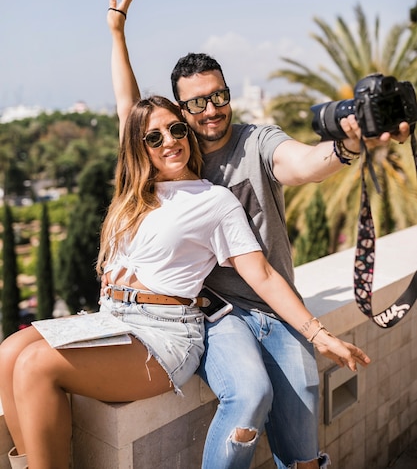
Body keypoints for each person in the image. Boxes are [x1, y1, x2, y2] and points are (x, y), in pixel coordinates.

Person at [105, 0, 410, 469]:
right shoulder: (174, 154)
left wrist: (349, 145)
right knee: (248, 396)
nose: (212, 109)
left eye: (219, 96)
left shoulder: (257, 141)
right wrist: (117, 34)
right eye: (198, 103)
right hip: (215, 316)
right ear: (182, 113)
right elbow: (131, 111)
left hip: (275, 306)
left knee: (303, 443)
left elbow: (304, 164)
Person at [0, 97, 371, 469]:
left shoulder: (214, 200)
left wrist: (318, 335)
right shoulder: (133, 197)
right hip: (113, 318)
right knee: (8, 353)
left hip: (163, 334)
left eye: (177, 130)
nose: (169, 141)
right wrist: (117, 36)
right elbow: (125, 103)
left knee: (36, 365)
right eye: (154, 137)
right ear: (138, 147)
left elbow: (263, 274)